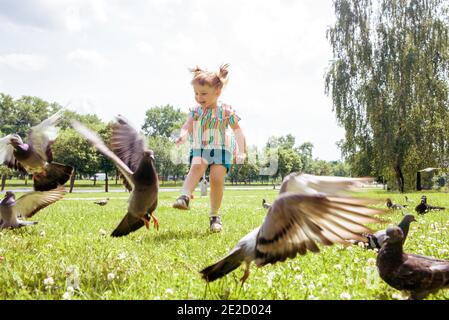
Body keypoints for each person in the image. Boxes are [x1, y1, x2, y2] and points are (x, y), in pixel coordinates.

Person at [173, 63, 246, 232]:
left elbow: (238, 131)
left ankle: (214, 216)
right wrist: (183, 135)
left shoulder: (226, 111)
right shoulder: (196, 111)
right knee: (197, 167)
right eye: (196, 93)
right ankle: (184, 196)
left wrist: (241, 151)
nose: (199, 97)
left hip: (222, 148)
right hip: (201, 146)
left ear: (217, 92)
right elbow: (187, 125)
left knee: (216, 178)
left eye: (203, 93)